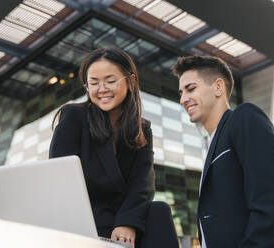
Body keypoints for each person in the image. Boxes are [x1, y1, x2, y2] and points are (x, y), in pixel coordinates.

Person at [50, 46, 178, 248]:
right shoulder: (75, 117)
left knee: (159, 211)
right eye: (94, 83)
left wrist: (127, 222)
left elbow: (142, 183)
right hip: (87, 219)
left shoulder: (142, 129)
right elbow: (60, 177)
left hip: (122, 220)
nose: (102, 89)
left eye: (110, 81)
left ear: (131, 81)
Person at [173, 55, 274, 248]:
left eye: (191, 89)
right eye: (180, 92)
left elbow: (270, 199)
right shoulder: (212, 144)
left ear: (218, 87)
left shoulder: (244, 117)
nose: (183, 99)